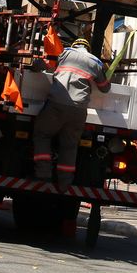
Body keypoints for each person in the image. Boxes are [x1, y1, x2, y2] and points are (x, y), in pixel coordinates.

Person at [32, 38, 110, 190]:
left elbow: (43, 65)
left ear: (74, 46)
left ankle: (43, 175)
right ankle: (64, 184)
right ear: (87, 49)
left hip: (56, 105)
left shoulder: (64, 53)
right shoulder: (95, 62)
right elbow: (105, 89)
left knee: (42, 135)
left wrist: (33, 66)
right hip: (78, 111)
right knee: (69, 145)